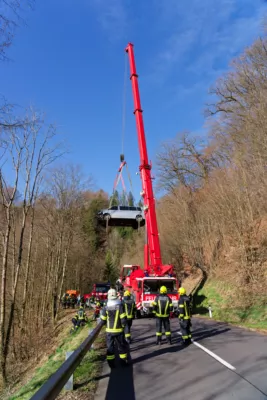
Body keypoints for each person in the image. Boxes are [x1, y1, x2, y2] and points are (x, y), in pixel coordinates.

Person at [100, 288, 129, 368]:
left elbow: (102, 320)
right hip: (119, 331)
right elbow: (123, 319)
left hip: (109, 332)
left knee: (110, 347)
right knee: (121, 346)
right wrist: (123, 328)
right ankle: (123, 361)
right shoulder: (120, 306)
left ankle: (111, 364)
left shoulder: (106, 307)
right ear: (116, 296)